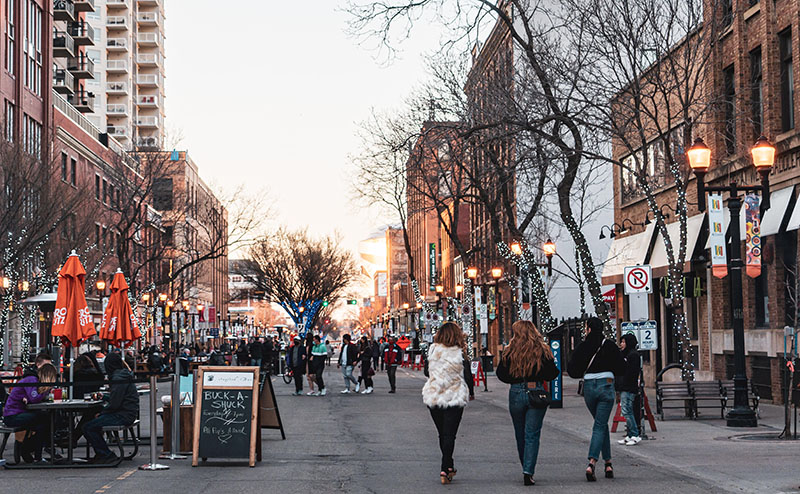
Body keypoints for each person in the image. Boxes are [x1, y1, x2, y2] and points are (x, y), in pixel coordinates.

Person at [497, 320, 560, 486]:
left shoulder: (510, 351)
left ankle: (525, 464)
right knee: (532, 433)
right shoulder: (542, 350)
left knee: (520, 432)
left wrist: (516, 378)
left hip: (516, 392)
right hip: (536, 392)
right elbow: (553, 373)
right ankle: (528, 471)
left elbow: (501, 374)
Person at [567, 317, 626, 481]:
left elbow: (572, 369)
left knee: (600, 424)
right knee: (600, 424)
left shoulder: (583, 346)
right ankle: (592, 462)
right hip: (606, 385)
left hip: (589, 388)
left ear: (589, 329)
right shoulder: (609, 346)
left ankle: (608, 463)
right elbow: (621, 367)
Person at [422, 322, 474, 484]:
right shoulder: (460, 353)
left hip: (435, 397)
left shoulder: (432, 351)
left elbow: (426, 371)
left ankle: (449, 466)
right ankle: (445, 467)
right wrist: (471, 392)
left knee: (442, 433)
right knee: (450, 434)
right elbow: (467, 376)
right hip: (454, 397)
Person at [83, 352, 139, 464]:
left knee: (88, 427)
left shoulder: (118, 378)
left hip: (123, 415)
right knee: (92, 423)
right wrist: (104, 396)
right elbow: (118, 398)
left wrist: (103, 413)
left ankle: (105, 454)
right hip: (128, 412)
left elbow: (115, 403)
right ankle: (101, 453)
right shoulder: (123, 375)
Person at [3, 363, 57, 463]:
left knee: (43, 423)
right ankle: (29, 451)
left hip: (17, 413)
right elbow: (34, 398)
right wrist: (46, 391)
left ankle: (30, 451)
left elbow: (32, 398)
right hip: (13, 416)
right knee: (45, 420)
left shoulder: (33, 380)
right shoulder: (32, 380)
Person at [617, 332, 641, 446]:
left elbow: (632, 372)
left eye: (623, 342)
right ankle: (630, 434)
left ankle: (635, 434)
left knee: (627, 411)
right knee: (626, 410)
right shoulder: (624, 355)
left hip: (629, 387)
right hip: (624, 386)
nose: (621, 344)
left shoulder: (633, 355)